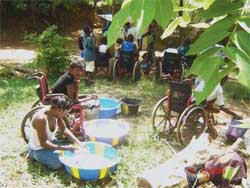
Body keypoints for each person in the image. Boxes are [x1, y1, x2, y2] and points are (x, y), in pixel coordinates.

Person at [28, 95, 85, 170]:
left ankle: (48, 154)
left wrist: (77, 141)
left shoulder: (56, 114)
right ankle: (32, 154)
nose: (67, 115)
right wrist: (66, 148)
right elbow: (44, 143)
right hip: (39, 148)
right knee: (59, 163)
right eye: (66, 112)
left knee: (70, 155)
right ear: (60, 110)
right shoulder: (41, 119)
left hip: (51, 141)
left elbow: (63, 129)